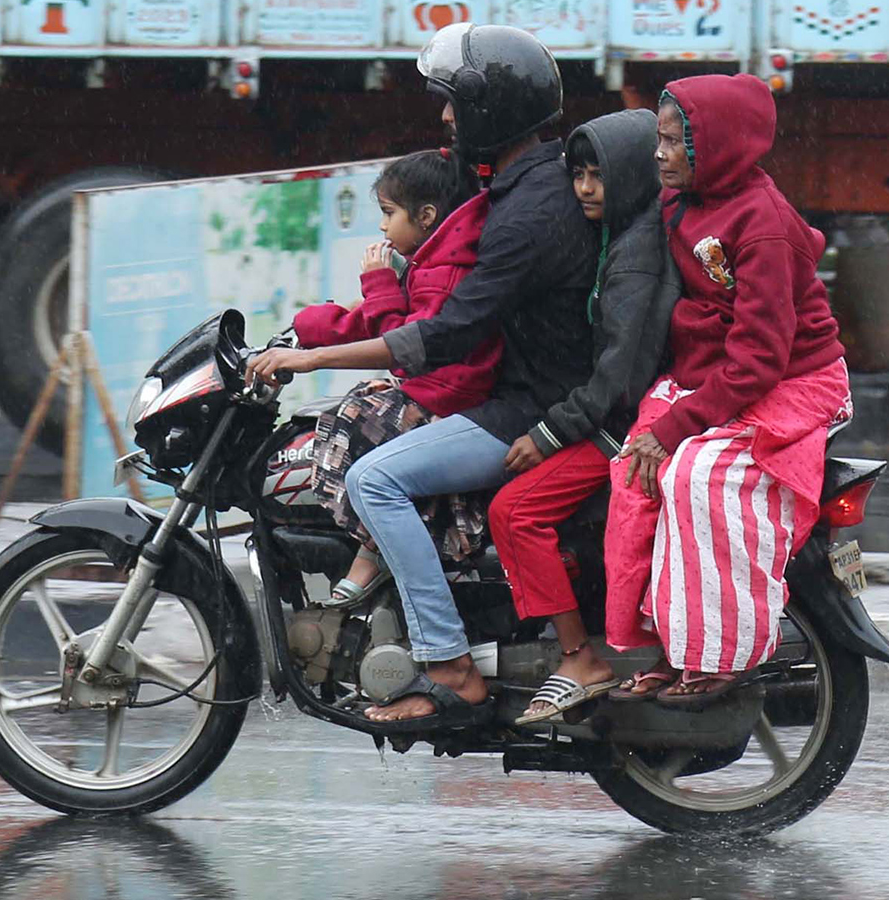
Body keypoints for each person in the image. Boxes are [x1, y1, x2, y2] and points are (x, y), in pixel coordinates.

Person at [247, 23, 599, 725]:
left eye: (454, 103)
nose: (445, 117)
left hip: (528, 407)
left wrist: (308, 359)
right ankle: (382, 588)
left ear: (489, 109)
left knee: (374, 477)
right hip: (521, 392)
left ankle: (448, 664)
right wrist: (334, 320)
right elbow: (432, 294)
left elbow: (442, 334)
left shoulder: (522, 215)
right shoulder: (518, 184)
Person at [603, 74, 853, 706]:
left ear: (712, 146)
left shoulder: (762, 225)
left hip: (792, 381)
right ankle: (669, 642)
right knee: (633, 475)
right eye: (657, 140)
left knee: (700, 475)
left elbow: (761, 359)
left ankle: (724, 653)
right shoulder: (682, 200)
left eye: (670, 142)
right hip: (711, 377)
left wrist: (675, 427)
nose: (657, 154)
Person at [485, 110, 681, 724]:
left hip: (620, 428)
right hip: (616, 415)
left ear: (629, 175)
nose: (585, 189)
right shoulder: (622, 234)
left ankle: (578, 656)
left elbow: (618, 375)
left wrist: (550, 431)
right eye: (578, 175)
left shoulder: (635, 254)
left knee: (514, 512)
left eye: (600, 175)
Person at [292, 148, 501, 606]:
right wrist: (308, 327)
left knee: (348, 418)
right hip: (440, 391)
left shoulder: (447, 271)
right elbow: (379, 323)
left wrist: (378, 283)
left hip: (451, 401)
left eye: (389, 213)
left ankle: (378, 548)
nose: (383, 227)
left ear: (426, 216)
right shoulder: (435, 263)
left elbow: (406, 348)